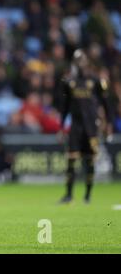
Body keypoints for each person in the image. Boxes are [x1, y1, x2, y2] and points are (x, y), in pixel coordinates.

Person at [58, 49, 112, 204]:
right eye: (77, 61)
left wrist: (108, 123)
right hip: (75, 128)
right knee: (71, 160)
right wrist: (62, 127)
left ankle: (87, 196)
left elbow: (107, 105)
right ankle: (68, 195)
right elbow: (65, 107)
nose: (79, 64)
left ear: (86, 62)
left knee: (89, 161)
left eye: (81, 60)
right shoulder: (69, 83)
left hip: (91, 128)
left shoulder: (96, 82)